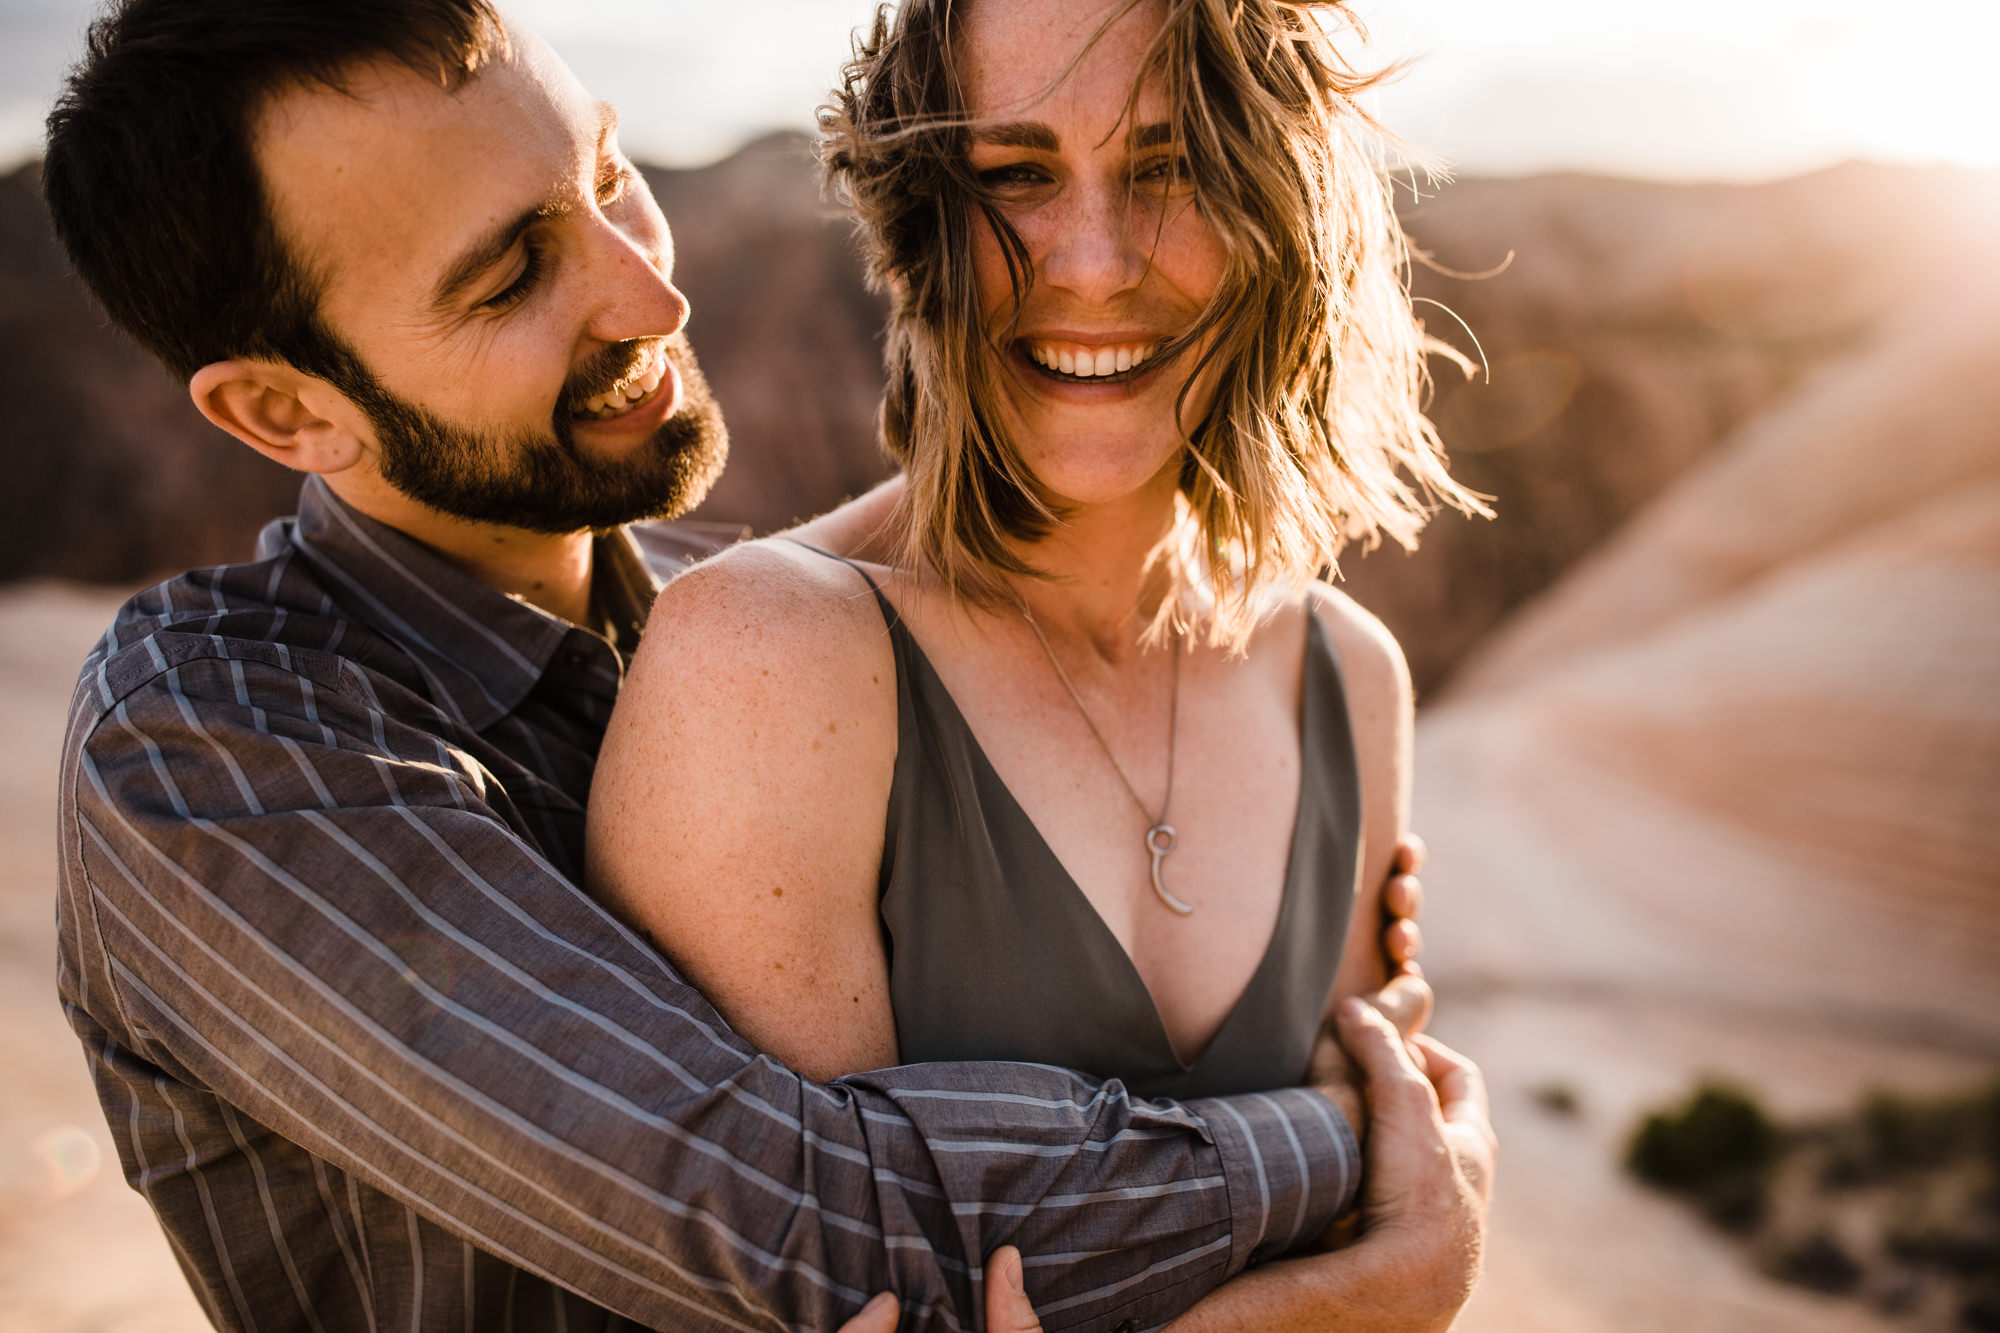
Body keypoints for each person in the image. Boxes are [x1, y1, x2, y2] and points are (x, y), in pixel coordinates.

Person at [42, 0, 1493, 1330]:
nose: (650, 299)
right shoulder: (209, 739)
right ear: (284, 410)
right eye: (509, 277)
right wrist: (1375, 1150)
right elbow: (813, 1223)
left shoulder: (723, 605)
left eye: (608, 177)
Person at [588, 0, 1490, 1325]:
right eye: (1013, 176)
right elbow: (829, 1301)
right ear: (914, 227)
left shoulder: (1349, 680)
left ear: (1279, 209)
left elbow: (1353, 1186)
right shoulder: (771, 661)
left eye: (1171, 165)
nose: (1094, 259)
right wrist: (1394, 1285)